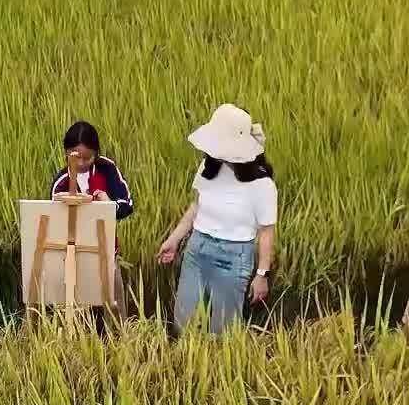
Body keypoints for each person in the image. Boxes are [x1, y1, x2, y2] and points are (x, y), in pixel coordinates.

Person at [155, 104, 277, 334]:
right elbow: (196, 207)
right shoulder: (208, 167)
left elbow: (266, 232)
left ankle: (218, 369)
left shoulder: (262, 184)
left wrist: (262, 275)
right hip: (197, 249)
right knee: (183, 323)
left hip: (234, 257)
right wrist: (174, 239)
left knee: (222, 332)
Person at [49, 120, 135, 319]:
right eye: (75, 157)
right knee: (74, 307)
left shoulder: (107, 170)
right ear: (66, 153)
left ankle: (119, 341)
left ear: (96, 153)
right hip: (73, 255)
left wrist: (108, 204)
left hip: (106, 252)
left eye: (87, 158)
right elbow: (55, 219)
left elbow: (127, 205)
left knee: (113, 304)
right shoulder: (61, 183)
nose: (80, 163)